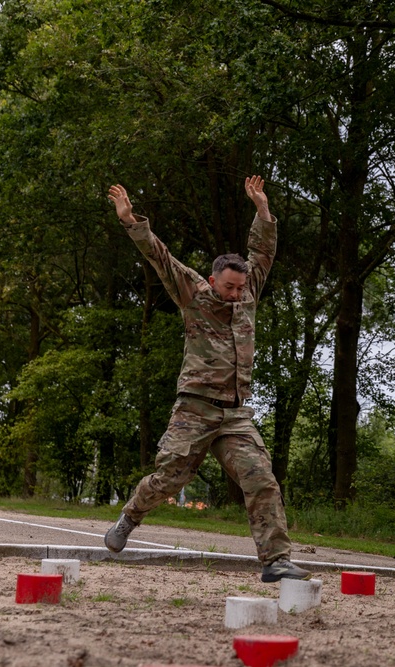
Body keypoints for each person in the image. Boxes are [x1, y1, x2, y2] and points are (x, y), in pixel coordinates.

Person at [104, 177, 311, 583]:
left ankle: (275, 562)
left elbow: (263, 250)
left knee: (261, 479)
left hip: (234, 416)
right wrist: (131, 220)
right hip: (194, 409)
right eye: (229, 288)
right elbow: (160, 257)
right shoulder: (194, 294)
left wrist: (263, 211)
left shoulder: (249, 290)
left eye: (240, 287)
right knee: (169, 479)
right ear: (214, 281)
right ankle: (129, 517)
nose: (236, 294)